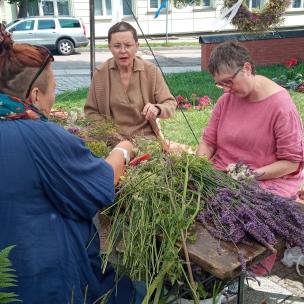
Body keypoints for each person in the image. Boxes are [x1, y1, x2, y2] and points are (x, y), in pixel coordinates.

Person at [0, 24, 143, 304]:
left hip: (9, 271)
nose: (53, 98)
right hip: (42, 281)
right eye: (53, 90)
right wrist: (123, 150)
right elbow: (101, 185)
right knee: (134, 290)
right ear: (35, 96)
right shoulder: (39, 136)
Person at [196, 41, 304, 275]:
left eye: (228, 81)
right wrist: (196, 166)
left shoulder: (280, 105)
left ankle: (239, 275)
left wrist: (249, 175)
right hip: (222, 174)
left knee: (240, 222)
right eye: (220, 84)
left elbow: (292, 162)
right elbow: (208, 142)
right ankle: (201, 270)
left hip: (263, 180)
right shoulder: (227, 100)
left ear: (246, 68)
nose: (225, 89)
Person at [84, 21, 177, 138]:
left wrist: (157, 109)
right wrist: (108, 131)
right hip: (111, 139)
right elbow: (91, 111)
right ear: (109, 48)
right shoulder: (100, 74)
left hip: (146, 139)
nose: (123, 51)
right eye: (117, 46)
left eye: (128, 45)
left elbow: (170, 104)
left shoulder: (151, 71)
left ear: (137, 46)